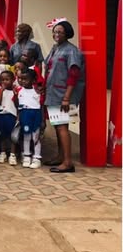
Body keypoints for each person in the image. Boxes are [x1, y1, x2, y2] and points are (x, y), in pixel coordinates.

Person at [43, 20, 85, 173]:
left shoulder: (71, 50)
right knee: (58, 126)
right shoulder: (55, 48)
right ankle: (60, 157)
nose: (56, 34)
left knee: (62, 127)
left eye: (60, 32)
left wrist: (67, 97)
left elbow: (74, 74)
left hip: (64, 96)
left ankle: (68, 162)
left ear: (67, 33)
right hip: (54, 94)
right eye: (55, 31)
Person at [16, 68, 44, 169]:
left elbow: (41, 106)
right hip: (24, 115)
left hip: (35, 115)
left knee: (35, 137)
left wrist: (43, 120)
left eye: (25, 79)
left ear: (33, 80)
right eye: (21, 79)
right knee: (26, 136)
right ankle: (26, 155)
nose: (22, 81)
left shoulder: (37, 91)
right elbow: (17, 105)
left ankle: (36, 158)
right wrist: (18, 118)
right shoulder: (19, 91)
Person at [0, 70, 19, 165]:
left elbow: (17, 104)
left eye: (7, 79)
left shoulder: (15, 91)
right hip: (1, 116)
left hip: (11, 115)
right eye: (2, 80)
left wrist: (15, 95)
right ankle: (2, 153)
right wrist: (1, 92)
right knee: (1, 136)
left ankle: (12, 154)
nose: (4, 82)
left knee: (13, 137)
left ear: (12, 80)